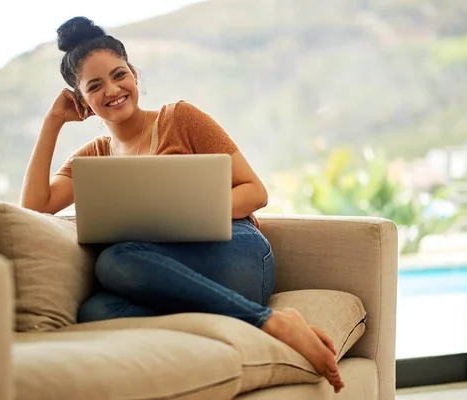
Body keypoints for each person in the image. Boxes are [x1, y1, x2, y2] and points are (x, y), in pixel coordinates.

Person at [20, 16, 344, 392]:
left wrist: (183, 215)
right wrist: (52, 122)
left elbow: (256, 192)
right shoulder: (90, 158)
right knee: (95, 311)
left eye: (119, 75)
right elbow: (36, 206)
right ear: (82, 102)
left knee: (115, 260)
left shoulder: (181, 118)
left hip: (234, 252)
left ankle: (272, 322)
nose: (112, 90)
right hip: (173, 276)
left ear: (135, 75)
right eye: (95, 86)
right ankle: (237, 317)